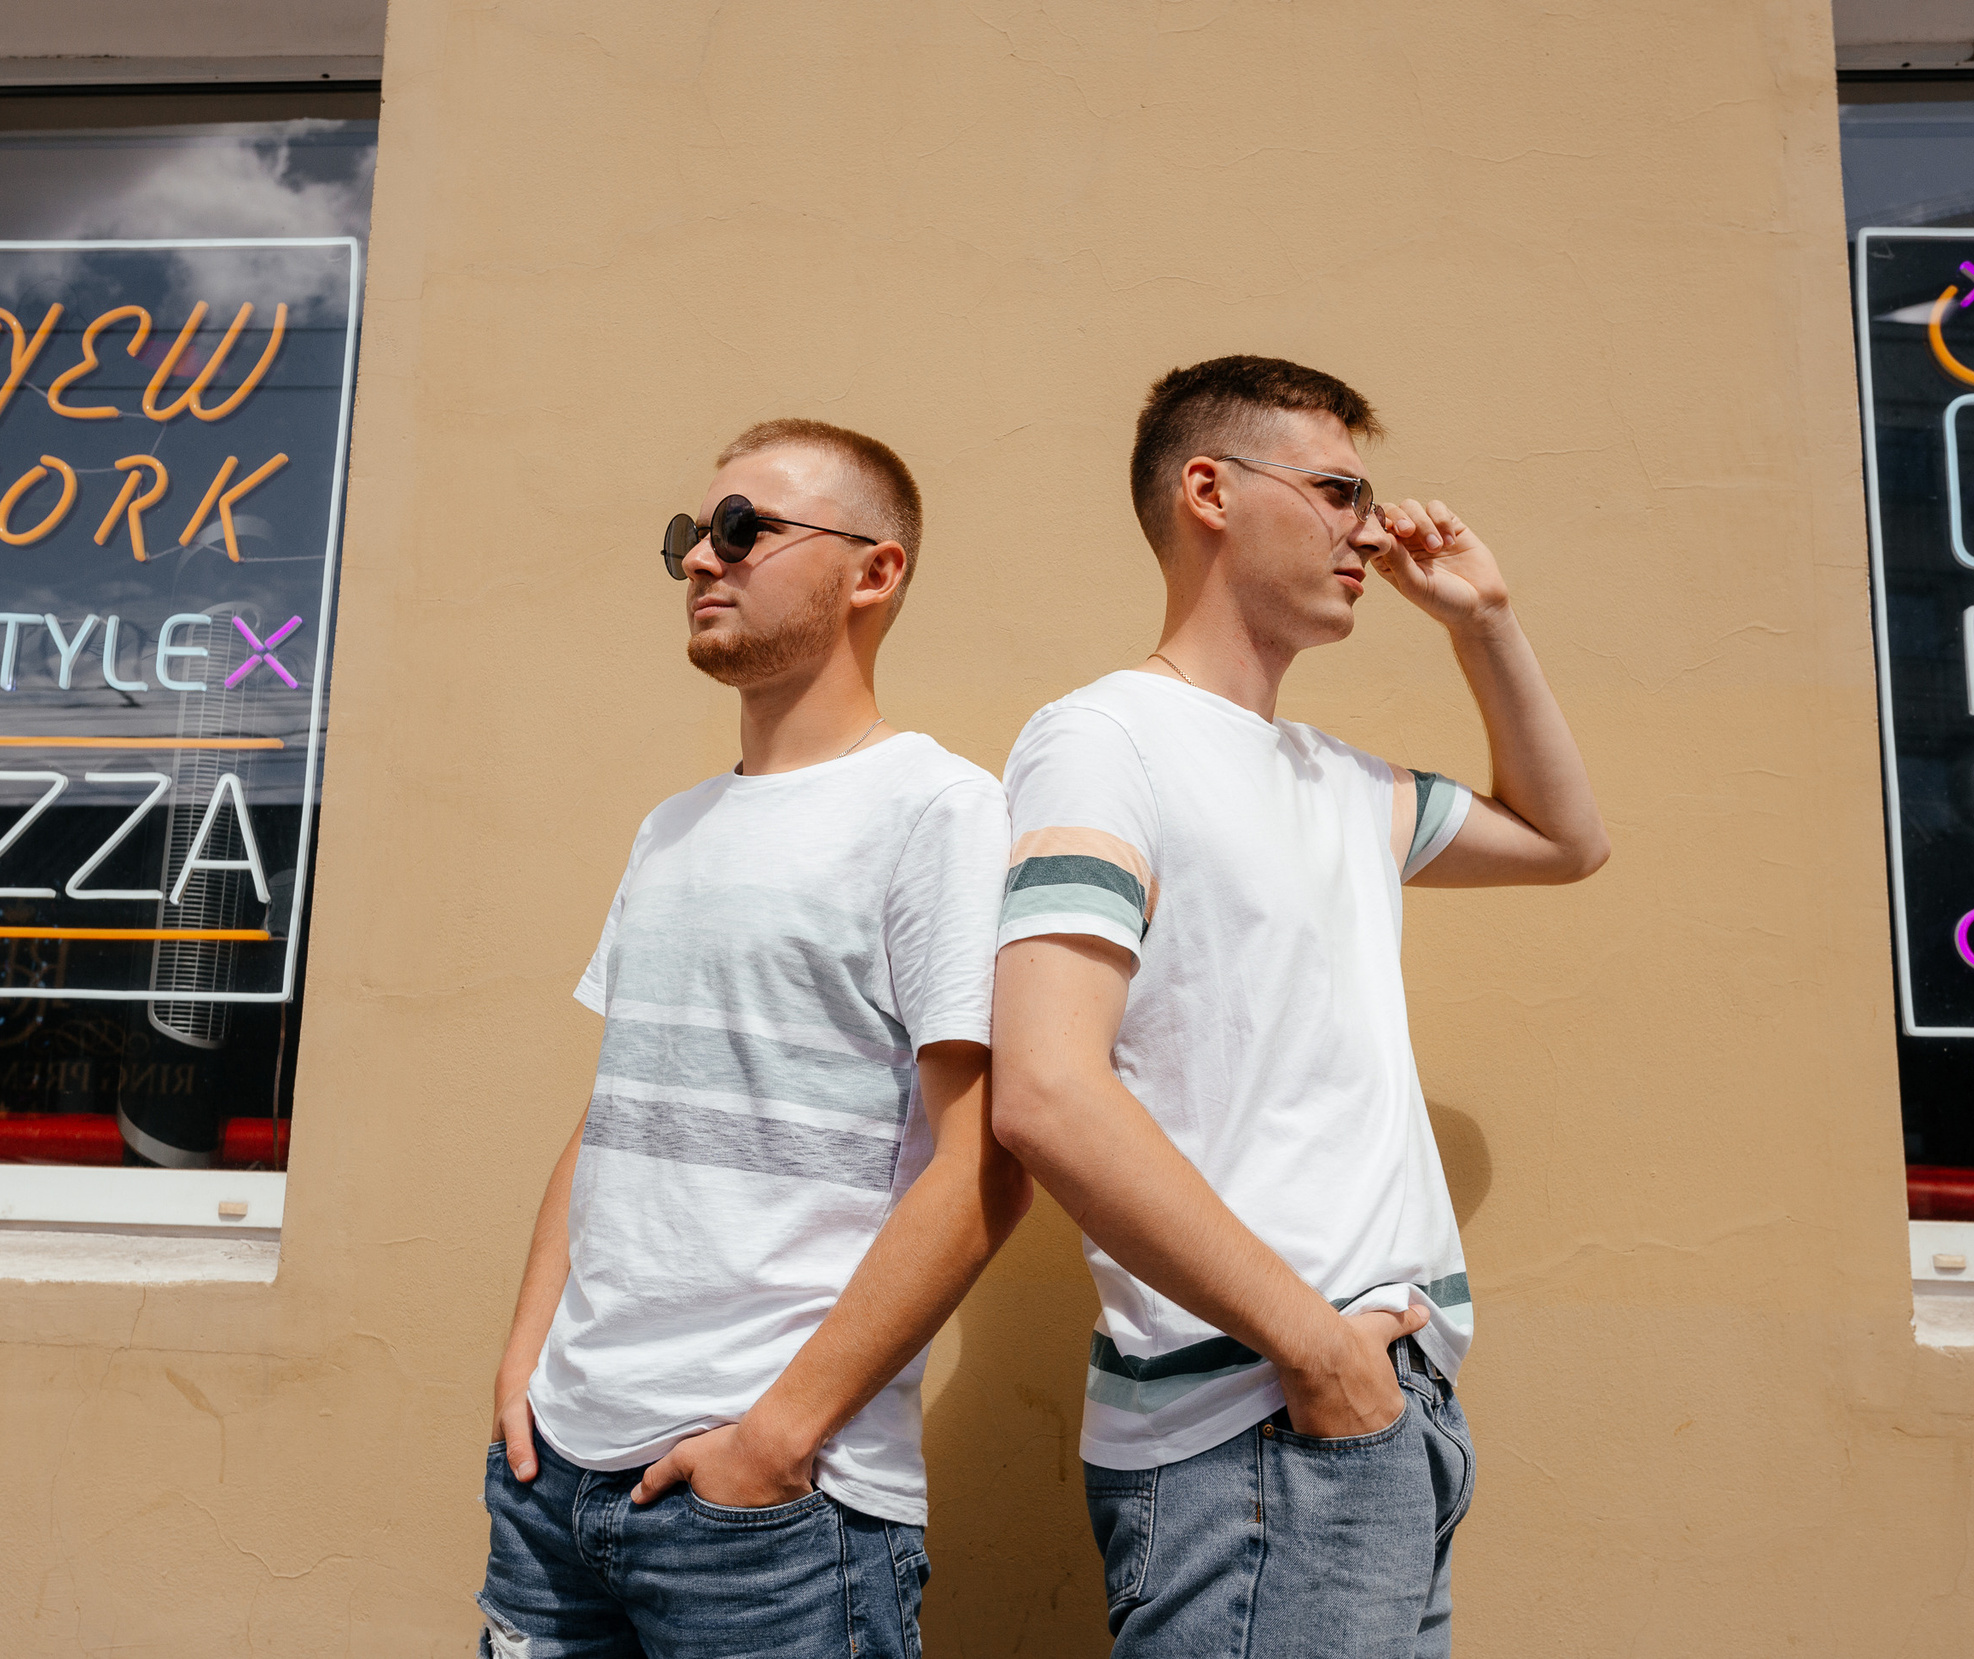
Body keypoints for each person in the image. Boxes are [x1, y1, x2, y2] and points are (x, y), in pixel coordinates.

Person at [989, 355, 1609, 1655]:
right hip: (1260, 1424)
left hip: (1381, 1413)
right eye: (1337, 492)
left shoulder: (1341, 782)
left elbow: (1568, 840)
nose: (1371, 532)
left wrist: (1483, 621)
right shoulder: (1104, 739)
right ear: (1209, 491)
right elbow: (1045, 1090)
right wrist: (1317, 1352)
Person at [478, 419, 1029, 1659]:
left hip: (768, 1515)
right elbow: (614, 1113)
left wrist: (778, 1437)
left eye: (742, 530)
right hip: (552, 1481)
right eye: (691, 533)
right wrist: (524, 1368)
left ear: (874, 571)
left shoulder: (938, 812)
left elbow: (984, 1165)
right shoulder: (670, 829)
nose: (698, 558)